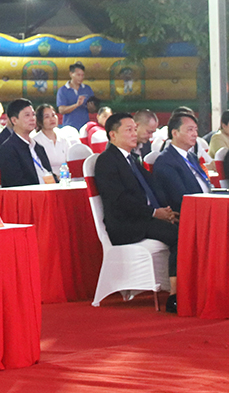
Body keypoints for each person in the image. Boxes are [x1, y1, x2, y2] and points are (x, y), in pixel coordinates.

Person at [94, 112, 178, 310]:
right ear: (113, 135)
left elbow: (153, 188)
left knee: (186, 226)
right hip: (126, 224)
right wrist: (154, 213)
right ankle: (175, 295)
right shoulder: (107, 161)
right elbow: (120, 201)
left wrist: (166, 211)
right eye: (129, 130)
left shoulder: (131, 159)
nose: (134, 133)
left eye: (135, 129)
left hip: (144, 218)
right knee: (178, 235)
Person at [151, 112, 211, 213]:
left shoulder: (192, 157)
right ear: (175, 133)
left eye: (196, 130)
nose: (195, 134)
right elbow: (179, 198)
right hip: (190, 212)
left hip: (206, 204)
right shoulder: (166, 161)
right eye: (190, 130)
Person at [0, 99, 54, 187]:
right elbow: (16, 184)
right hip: (31, 193)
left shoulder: (38, 147)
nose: (32, 118)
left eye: (33, 114)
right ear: (14, 120)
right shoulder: (8, 149)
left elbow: (49, 173)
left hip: (49, 189)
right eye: (27, 115)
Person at [57, 62, 96, 130]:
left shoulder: (87, 89)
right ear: (71, 74)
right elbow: (61, 110)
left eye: (82, 75)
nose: (81, 77)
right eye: (78, 75)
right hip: (69, 127)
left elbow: (93, 110)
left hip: (85, 127)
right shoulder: (63, 90)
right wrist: (76, 105)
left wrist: (91, 107)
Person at [32, 103, 69, 172]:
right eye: (47, 117)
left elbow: (69, 162)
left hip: (63, 176)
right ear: (40, 120)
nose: (52, 119)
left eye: (53, 115)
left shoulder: (63, 139)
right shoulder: (35, 141)